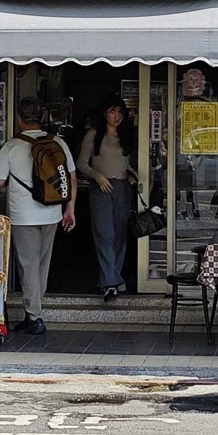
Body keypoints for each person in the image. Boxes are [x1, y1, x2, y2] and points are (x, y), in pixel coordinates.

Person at [0, 96, 76, 335]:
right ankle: (35, 310)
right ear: (41, 118)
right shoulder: (57, 142)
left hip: (23, 215)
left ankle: (34, 317)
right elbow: (71, 177)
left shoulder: (12, 146)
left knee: (28, 266)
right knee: (41, 265)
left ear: (19, 118)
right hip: (51, 212)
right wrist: (70, 209)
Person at [76, 94, 137, 302]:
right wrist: (97, 176)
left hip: (122, 187)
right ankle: (110, 282)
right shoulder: (94, 134)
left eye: (120, 112)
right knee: (105, 234)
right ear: (105, 113)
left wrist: (132, 174)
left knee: (120, 235)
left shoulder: (127, 136)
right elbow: (81, 164)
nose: (117, 116)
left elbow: (131, 165)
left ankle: (113, 278)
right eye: (113, 111)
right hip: (100, 187)